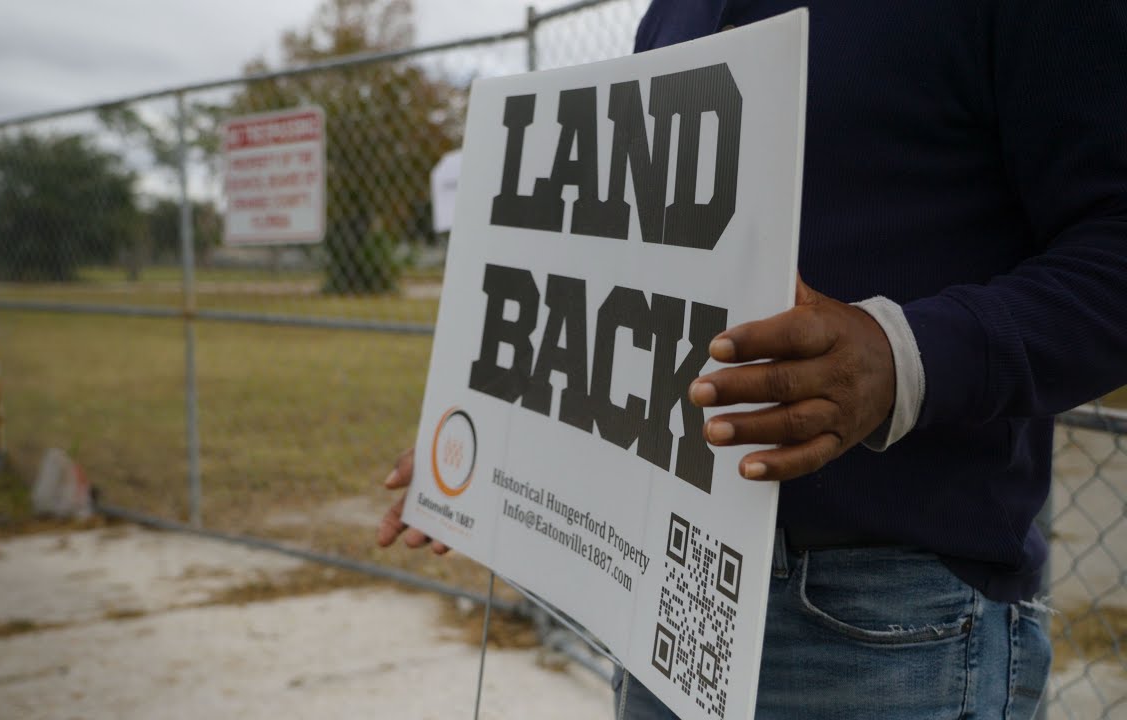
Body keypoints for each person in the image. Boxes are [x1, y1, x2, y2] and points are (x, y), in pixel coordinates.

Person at [379, 0, 1127, 717]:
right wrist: (502, 427)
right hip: (667, 593)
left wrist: (902, 356)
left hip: (888, 613)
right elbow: (632, 274)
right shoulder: (676, 10)